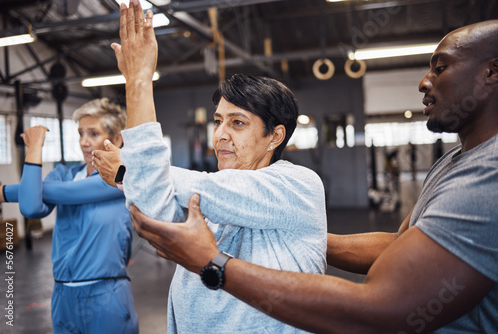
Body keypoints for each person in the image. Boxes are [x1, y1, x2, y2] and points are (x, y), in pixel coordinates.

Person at [129, 19, 498, 333]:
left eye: (440, 67)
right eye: (218, 122)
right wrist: (302, 237)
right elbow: (401, 244)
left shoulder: (489, 172)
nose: (424, 82)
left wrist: (214, 264)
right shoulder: (453, 162)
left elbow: (383, 308)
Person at [92, 1, 327, 333]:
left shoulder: (297, 185)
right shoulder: (211, 197)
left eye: (238, 123)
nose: (220, 134)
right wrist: (134, 175)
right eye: (218, 121)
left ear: (275, 136)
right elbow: (152, 213)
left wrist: (140, 82)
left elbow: (156, 180)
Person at [0, 98, 138, 334]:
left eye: (93, 133)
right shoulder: (62, 174)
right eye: (81, 133)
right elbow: (31, 208)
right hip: (63, 296)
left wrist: (3, 192)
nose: (84, 142)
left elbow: (66, 193)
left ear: (116, 139)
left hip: (106, 295)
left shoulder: (122, 179)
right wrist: (35, 148)